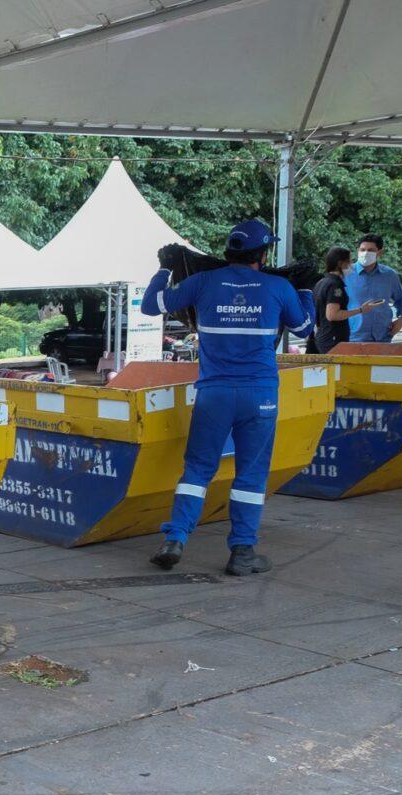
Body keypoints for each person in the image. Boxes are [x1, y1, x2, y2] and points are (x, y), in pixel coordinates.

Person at [141, 219, 314, 577]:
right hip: (260, 395)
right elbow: (304, 327)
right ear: (262, 254)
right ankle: (242, 553)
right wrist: (306, 289)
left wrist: (165, 268)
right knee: (251, 474)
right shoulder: (278, 287)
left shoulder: (203, 281)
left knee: (197, 469)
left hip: (214, 394)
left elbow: (150, 306)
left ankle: (175, 539)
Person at [311, 246, 385, 353]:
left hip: (323, 337)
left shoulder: (321, 282)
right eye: (349, 262)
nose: (351, 265)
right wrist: (360, 310)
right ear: (340, 263)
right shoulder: (335, 285)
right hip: (333, 340)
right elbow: (332, 315)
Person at [344, 233, 402, 342]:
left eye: (371, 250)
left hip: (382, 338)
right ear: (357, 251)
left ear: (380, 252)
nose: (365, 253)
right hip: (351, 338)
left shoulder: (389, 275)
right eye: (362, 250)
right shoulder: (345, 273)